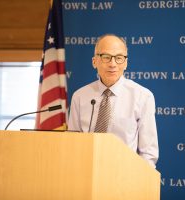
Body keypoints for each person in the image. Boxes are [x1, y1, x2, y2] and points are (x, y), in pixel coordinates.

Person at [68, 34, 159, 167]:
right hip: (86, 172)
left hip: (125, 176)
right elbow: (72, 144)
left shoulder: (143, 96)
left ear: (126, 63)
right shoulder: (80, 96)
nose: (113, 64)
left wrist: (138, 180)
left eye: (119, 58)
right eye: (106, 57)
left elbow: (148, 153)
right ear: (94, 61)